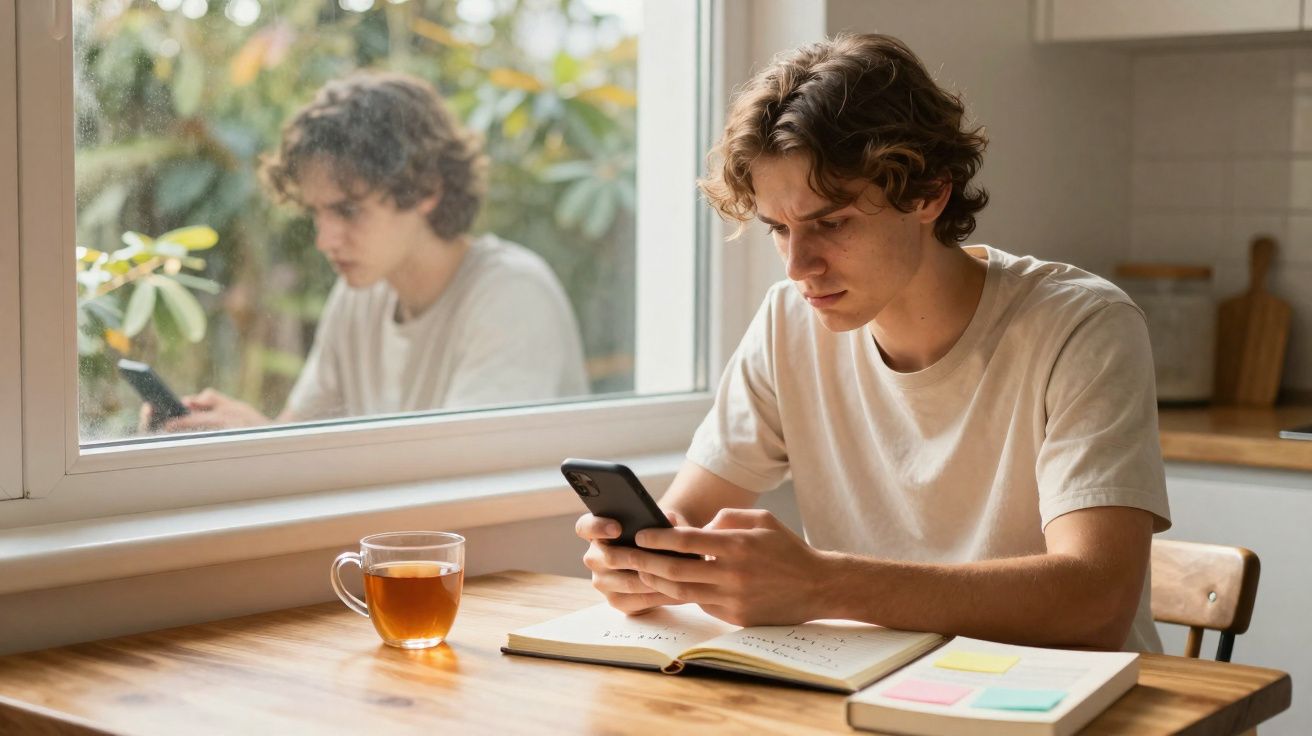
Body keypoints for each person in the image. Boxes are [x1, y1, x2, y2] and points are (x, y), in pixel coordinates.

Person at [575, 33, 1170, 652]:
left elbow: (1095, 600)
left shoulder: (1081, 325)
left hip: (1065, 699)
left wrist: (823, 584)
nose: (798, 266)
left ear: (929, 194)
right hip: (882, 690)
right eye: (779, 229)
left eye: (830, 223)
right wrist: (648, 564)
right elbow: (688, 514)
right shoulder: (788, 322)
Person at [153, 72, 589, 431]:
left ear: (427, 189)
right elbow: (301, 443)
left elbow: (459, 484)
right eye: (316, 213)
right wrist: (239, 433)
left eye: (348, 210)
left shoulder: (513, 295)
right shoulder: (360, 294)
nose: (325, 240)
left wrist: (259, 437)